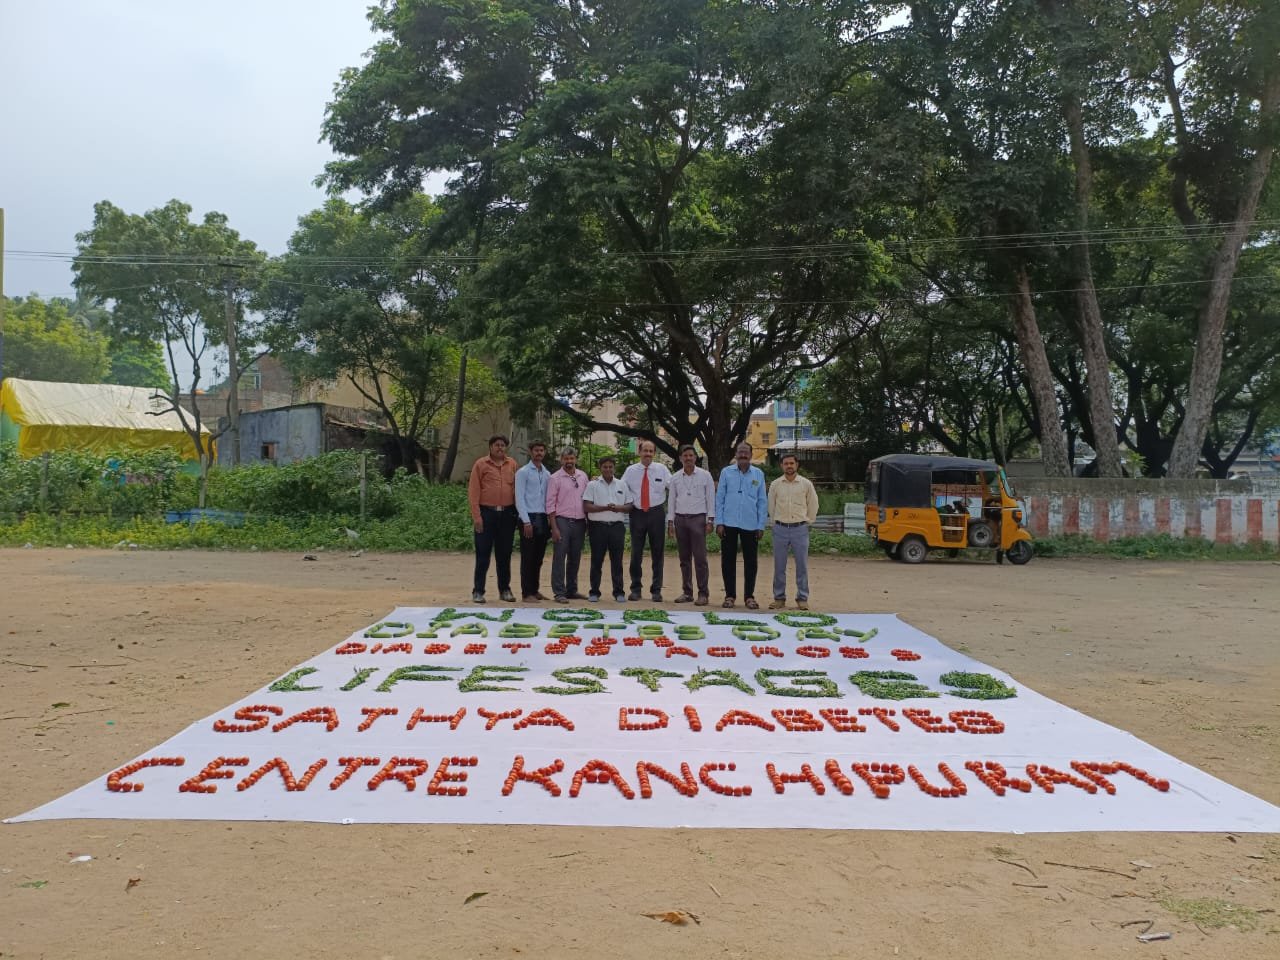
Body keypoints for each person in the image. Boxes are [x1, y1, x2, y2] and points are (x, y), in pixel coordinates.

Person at [715, 442, 767, 609]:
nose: (743, 455)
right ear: (735, 454)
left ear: (751, 455)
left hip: (750, 524)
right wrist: (719, 522)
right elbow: (719, 499)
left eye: (746, 452)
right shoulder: (726, 472)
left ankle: (749, 596)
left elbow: (762, 501)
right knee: (728, 560)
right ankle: (730, 596)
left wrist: (761, 525)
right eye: (740, 452)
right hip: (728, 523)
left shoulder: (758, 474)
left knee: (751, 562)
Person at [467, 434, 518, 604]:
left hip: (507, 515)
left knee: (504, 555)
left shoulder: (512, 464)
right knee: (483, 554)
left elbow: (517, 490)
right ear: (490, 447)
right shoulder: (481, 464)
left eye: (503, 445)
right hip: (486, 514)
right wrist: (477, 517)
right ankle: (478, 591)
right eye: (496, 445)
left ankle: (505, 590)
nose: (500, 448)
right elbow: (474, 492)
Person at [621, 440, 672, 601]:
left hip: (656, 513)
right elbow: (620, 489)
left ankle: (656, 590)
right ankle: (635, 589)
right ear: (639, 452)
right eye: (645, 451)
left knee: (658, 553)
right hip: (637, 514)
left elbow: (673, 487)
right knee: (636, 553)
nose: (648, 454)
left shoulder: (662, 469)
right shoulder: (630, 471)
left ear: (654, 453)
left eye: (651, 451)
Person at [767, 453, 819, 610]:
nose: (789, 466)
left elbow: (813, 504)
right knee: (779, 566)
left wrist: (808, 521)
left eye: (792, 463)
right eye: (786, 463)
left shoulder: (806, 484)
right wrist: (774, 523)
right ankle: (779, 598)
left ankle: (802, 598)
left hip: (800, 529)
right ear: (781, 466)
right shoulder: (775, 485)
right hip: (780, 529)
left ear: (797, 465)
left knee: (802, 566)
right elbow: (771, 505)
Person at [667, 444, 715, 605]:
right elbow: (671, 501)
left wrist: (710, 520)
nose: (688, 458)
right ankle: (687, 592)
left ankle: (703, 593)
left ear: (695, 458)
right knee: (684, 558)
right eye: (685, 456)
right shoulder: (675, 477)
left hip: (698, 519)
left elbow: (710, 498)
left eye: (691, 455)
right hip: (680, 519)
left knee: (700, 558)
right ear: (680, 458)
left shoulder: (705, 475)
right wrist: (670, 522)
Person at [582, 455, 631, 603]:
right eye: (605, 467)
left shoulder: (622, 485)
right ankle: (594, 592)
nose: (608, 469)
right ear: (600, 468)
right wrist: (604, 507)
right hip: (598, 527)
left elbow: (629, 506)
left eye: (610, 467)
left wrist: (618, 508)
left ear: (614, 468)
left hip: (616, 527)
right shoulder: (593, 485)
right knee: (596, 560)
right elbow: (587, 506)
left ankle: (619, 592)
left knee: (617, 561)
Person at [546, 446, 589, 603]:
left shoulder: (583, 476)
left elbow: (588, 499)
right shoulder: (555, 478)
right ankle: (559, 592)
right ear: (561, 460)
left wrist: (588, 522)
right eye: (566, 459)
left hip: (580, 522)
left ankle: (572, 589)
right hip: (562, 521)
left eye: (571, 459)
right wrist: (554, 527)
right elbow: (550, 504)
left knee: (575, 557)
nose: (569, 462)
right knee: (559, 556)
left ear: (575, 459)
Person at [515, 440, 552, 601]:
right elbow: (519, 498)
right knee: (528, 557)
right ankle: (526, 592)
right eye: (536, 450)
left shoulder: (547, 474)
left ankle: (535, 589)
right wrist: (526, 521)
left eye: (542, 450)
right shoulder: (523, 472)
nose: (539, 453)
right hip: (528, 517)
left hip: (543, 518)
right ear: (530, 452)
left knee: (538, 557)